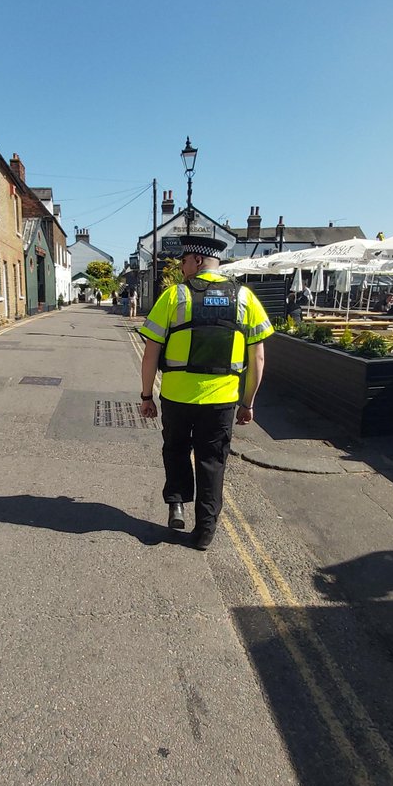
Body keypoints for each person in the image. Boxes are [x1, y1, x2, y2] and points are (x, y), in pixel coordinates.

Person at [138, 233, 273, 550]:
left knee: (175, 449)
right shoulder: (245, 299)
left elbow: (150, 353)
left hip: (177, 397)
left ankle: (177, 502)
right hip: (222, 401)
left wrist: (146, 396)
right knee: (212, 462)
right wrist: (247, 403)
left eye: (184, 260)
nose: (182, 266)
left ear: (197, 260)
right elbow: (259, 357)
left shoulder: (174, 297)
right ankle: (205, 532)